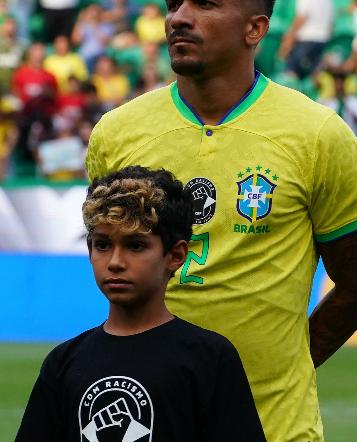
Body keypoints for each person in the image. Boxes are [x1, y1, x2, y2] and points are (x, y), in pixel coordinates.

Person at [85, 0, 357, 441]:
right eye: (173, 3)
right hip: (148, 420)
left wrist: (288, 364)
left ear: (255, 28)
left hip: (274, 427)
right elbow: (115, 264)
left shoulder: (316, 135)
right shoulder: (117, 134)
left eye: (203, 3)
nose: (180, 17)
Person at [15, 166, 266, 441]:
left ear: (176, 255)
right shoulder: (64, 363)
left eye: (135, 246)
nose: (115, 262)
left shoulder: (210, 357)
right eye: (102, 245)